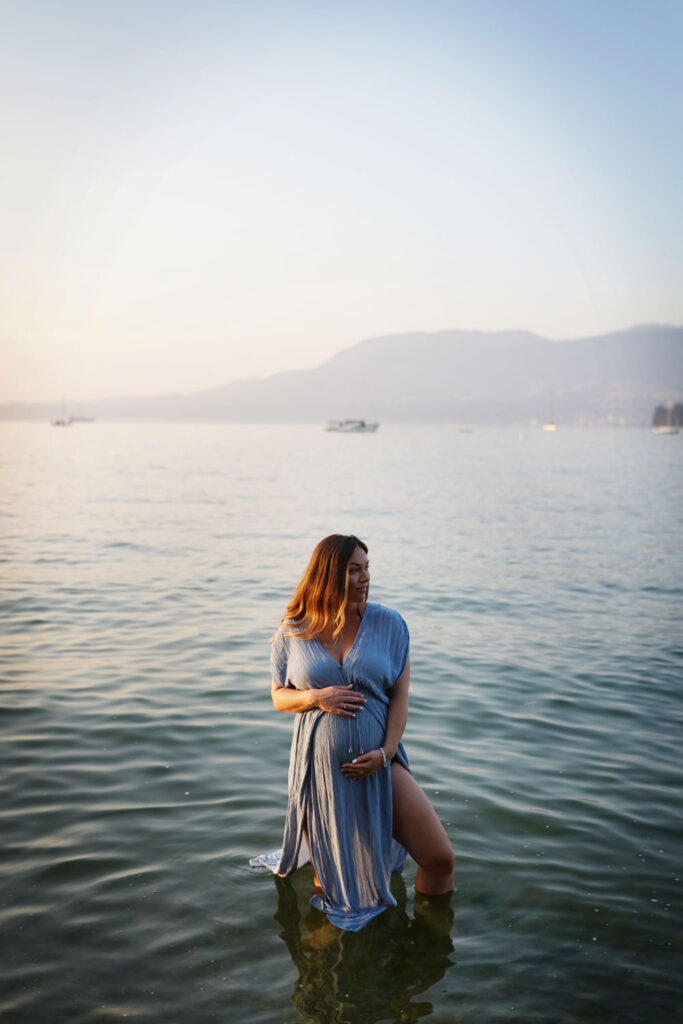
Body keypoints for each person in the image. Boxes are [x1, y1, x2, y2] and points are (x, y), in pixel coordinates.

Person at [250, 534, 454, 931]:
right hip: (320, 773)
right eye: (354, 569)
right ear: (329, 574)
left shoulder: (390, 625)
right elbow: (278, 697)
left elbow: (400, 699)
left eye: (367, 567)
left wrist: (386, 752)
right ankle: (327, 954)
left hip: (380, 762)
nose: (366, 577)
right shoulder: (295, 630)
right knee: (332, 885)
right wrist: (317, 695)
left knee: (440, 859)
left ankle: (430, 938)